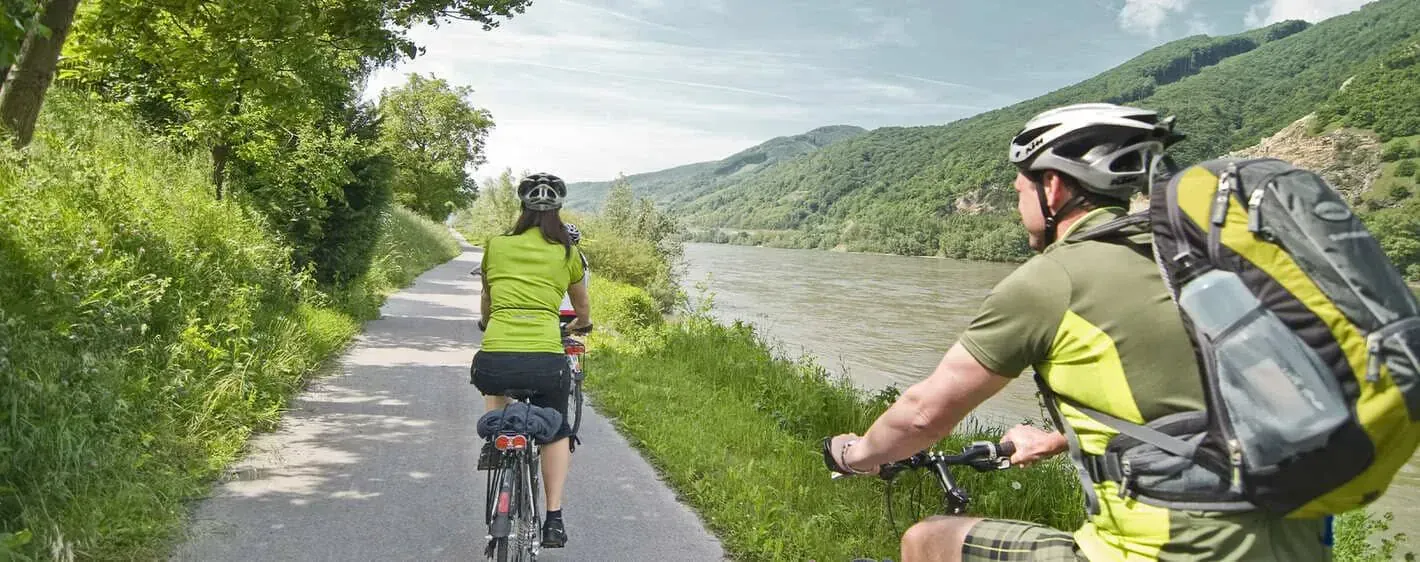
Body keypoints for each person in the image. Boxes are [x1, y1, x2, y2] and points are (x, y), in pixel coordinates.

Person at [824, 103, 1330, 562]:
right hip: (1298, 542)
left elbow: (922, 415)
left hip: (1166, 551)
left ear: (1054, 187)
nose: (1017, 201)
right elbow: (1197, 406)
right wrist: (1059, 439)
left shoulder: (1053, 278)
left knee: (927, 539)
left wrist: (854, 456)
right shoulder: (1198, 266)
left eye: (1020, 188)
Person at [472, 171, 591, 549]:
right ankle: (553, 518)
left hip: (495, 356)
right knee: (555, 427)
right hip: (545, 360)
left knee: (493, 374)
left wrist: (488, 323)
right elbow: (581, 305)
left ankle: (496, 435)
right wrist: (582, 326)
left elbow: (488, 298)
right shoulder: (567, 252)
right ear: (558, 210)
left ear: (522, 207)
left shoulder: (496, 245)